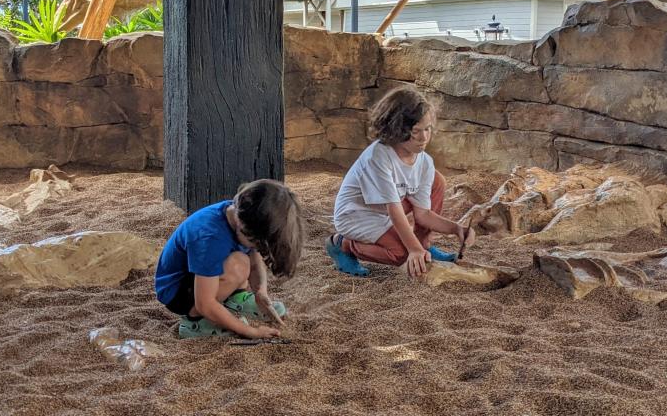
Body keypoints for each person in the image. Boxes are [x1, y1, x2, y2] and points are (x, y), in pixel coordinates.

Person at [326, 85, 474, 278]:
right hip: (357, 214)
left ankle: (423, 245)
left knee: (437, 181)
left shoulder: (424, 161)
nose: (424, 138)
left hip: (385, 210)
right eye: (415, 131)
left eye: (427, 129)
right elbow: (394, 210)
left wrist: (457, 228)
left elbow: (422, 214)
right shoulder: (378, 156)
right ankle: (343, 244)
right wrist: (412, 250)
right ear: (396, 128)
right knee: (402, 255)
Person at [155, 179, 305, 339]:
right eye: (256, 242)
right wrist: (250, 332)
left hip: (202, 277)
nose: (258, 248)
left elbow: (253, 256)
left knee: (243, 259)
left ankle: (233, 300)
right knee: (238, 264)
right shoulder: (210, 238)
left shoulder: (241, 211)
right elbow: (204, 303)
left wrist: (260, 291)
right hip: (178, 293)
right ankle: (195, 321)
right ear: (242, 225)